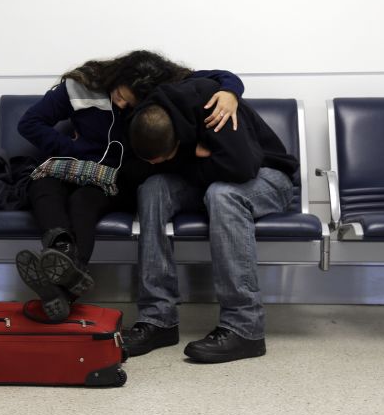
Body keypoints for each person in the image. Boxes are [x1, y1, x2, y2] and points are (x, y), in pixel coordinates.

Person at [16, 50, 246, 321]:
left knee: (82, 202)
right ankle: (63, 252)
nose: (123, 105)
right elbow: (29, 123)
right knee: (42, 185)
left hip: (117, 179)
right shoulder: (82, 85)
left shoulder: (161, 90)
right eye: (122, 96)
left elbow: (222, 77)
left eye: (130, 103)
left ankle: (62, 286)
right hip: (74, 166)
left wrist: (231, 92)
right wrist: (76, 150)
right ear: (117, 75)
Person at [124, 77, 299, 363]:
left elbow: (240, 168)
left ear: (177, 139)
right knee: (152, 188)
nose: (156, 164)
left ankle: (245, 327)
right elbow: (137, 171)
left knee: (223, 194)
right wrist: (190, 159)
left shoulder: (213, 107)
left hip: (268, 177)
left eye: (162, 158)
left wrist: (185, 162)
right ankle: (158, 319)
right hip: (211, 174)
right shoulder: (144, 116)